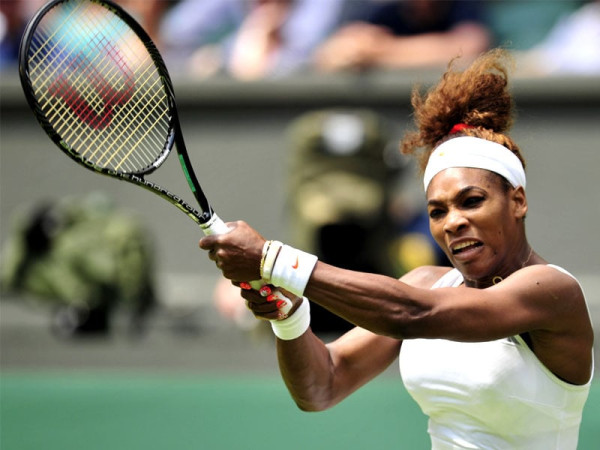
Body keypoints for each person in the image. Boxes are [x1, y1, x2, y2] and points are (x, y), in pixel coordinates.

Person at [199, 49, 594, 448]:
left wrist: (273, 260)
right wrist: (290, 316)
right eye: (437, 211)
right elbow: (322, 386)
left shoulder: (551, 291)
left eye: (472, 201)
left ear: (518, 201)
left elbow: (413, 314)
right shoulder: (425, 283)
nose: (453, 221)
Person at [313, 0, 491, 73]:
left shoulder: (462, 6)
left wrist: (381, 50)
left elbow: (471, 46)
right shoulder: (386, 12)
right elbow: (334, 52)